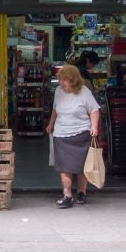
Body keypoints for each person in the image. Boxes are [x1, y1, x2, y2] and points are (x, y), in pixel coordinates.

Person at [45, 64, 101, 209]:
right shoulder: (58, 91)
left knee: (82, 167)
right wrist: (51, 124)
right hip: (61, 134)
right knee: (65, 167)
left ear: (74, 80)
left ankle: (81, 192)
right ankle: (67, 195)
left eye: (65, 80)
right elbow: (55, 109)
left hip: (81, 133)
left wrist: (94, 126)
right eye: (60, 79)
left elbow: (94, 110)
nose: (61, 83)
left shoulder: (84, 92)